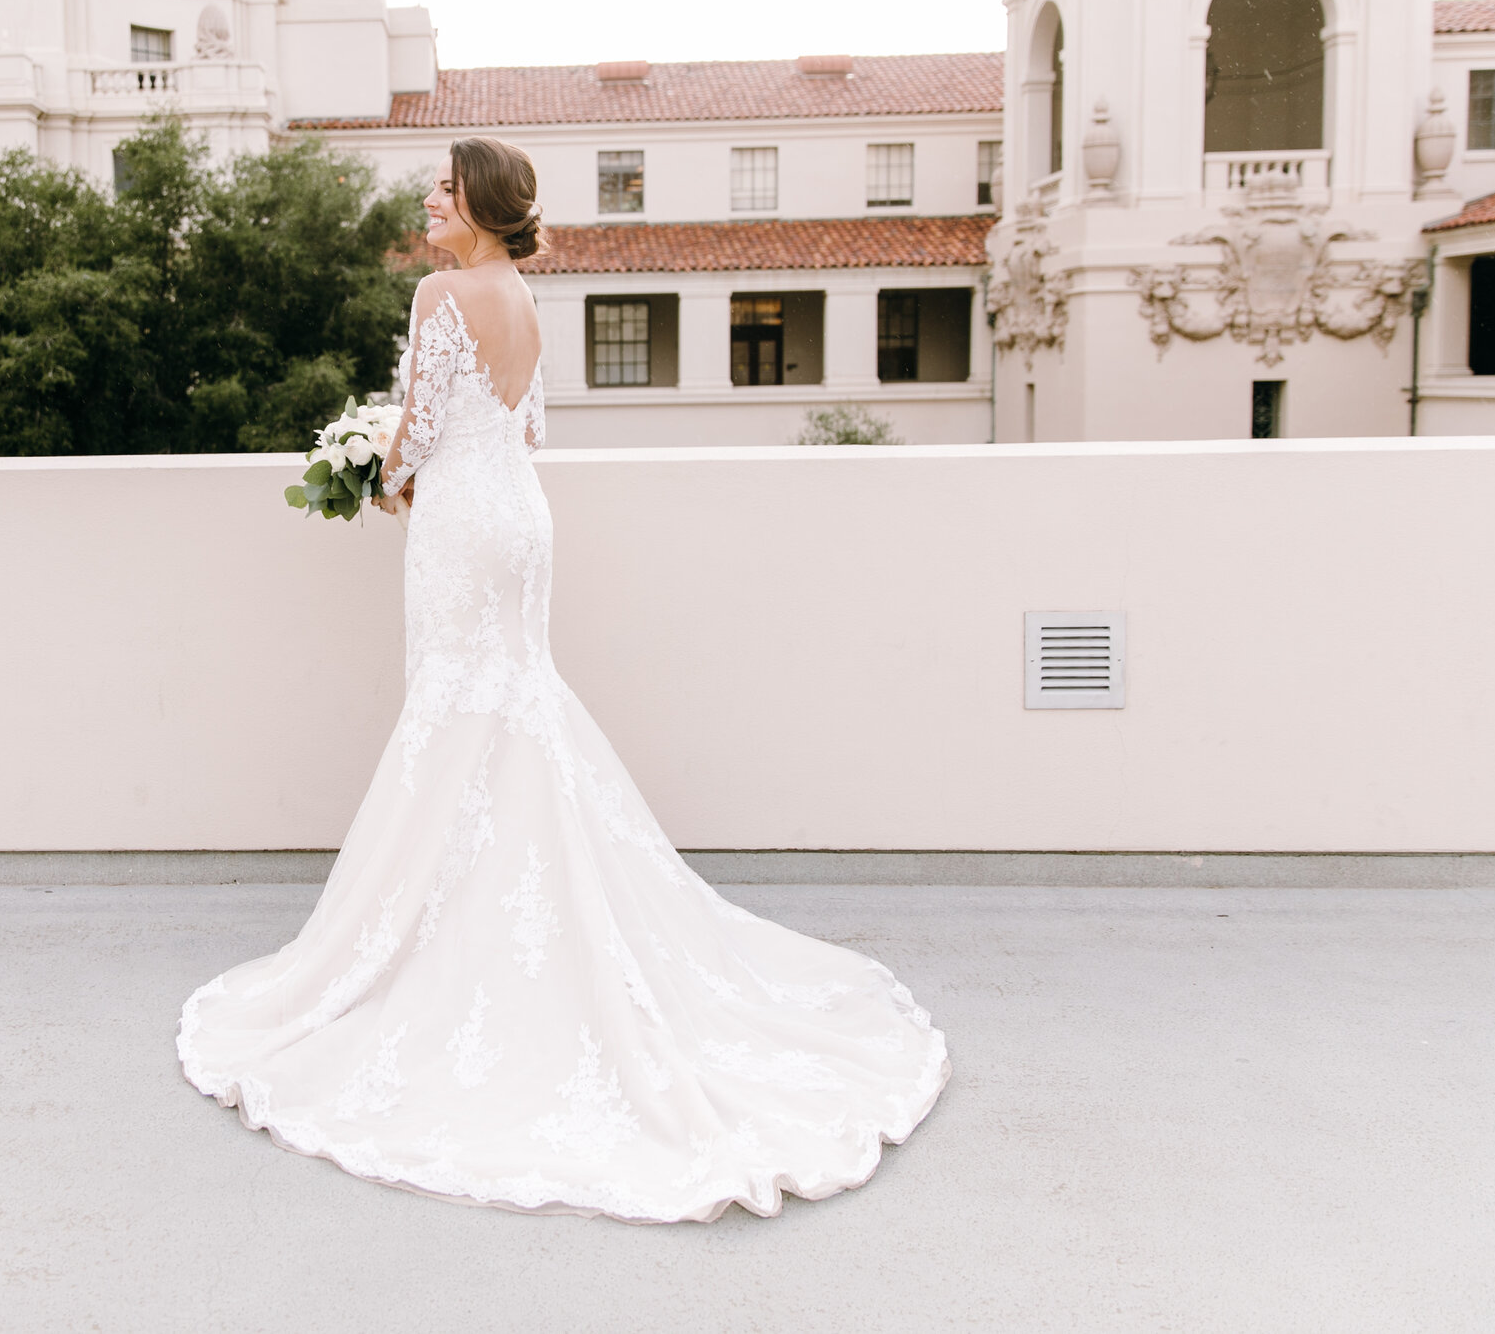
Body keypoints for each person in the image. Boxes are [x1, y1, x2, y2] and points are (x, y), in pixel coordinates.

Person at [178, 136, 947, 1223]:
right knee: (510, 705)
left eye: (443, 191)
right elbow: (523, 426)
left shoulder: (443, 292)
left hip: (458, 522)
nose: (429, 204)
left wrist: (375, 474)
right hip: (520, 521)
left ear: (481, 206)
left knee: (455, 706)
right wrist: (414, 463)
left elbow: (422, 431)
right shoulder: (523, 296)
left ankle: (444, 935)